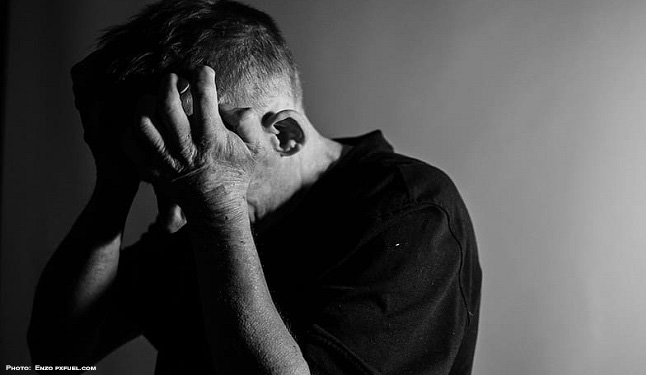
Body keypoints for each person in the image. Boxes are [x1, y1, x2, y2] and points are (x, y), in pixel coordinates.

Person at [27, 0, 482, 374]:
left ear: (284, 135)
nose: (171, 167)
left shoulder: (410, 211)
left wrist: (216, 201)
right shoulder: (194, 205)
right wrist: (114, 181)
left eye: (195, 140)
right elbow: (57, 355)